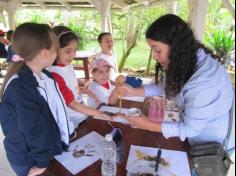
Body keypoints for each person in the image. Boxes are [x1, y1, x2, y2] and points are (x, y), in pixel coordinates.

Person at [122, 14, 234, 151]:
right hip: (200, 137)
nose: (154, 57)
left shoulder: (203, 82)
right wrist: (134, 91)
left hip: (210, 148)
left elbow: (190, 129)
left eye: (157, 50)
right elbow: (168, 86)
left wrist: (147, 124)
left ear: (176, 47)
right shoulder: (191, 59)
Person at [0, 23, 67, 176]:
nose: (57, 54)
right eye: (55, 50)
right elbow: (33, 129)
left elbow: (54, 111)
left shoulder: (46, 76)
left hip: (45, 150)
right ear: (44, 54)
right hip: (31, 160)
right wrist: (43, 161)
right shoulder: (20, 87)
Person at [49, 26, 111, 128]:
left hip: (82, 114)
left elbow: (72, 89)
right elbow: (71, 103)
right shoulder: (55, 74)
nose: (72, 56)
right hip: (73, 120)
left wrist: (85, 91)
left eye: (75, 50)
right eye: (68, 51)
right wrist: (98, 113)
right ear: (55, 49)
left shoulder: (67, 65)